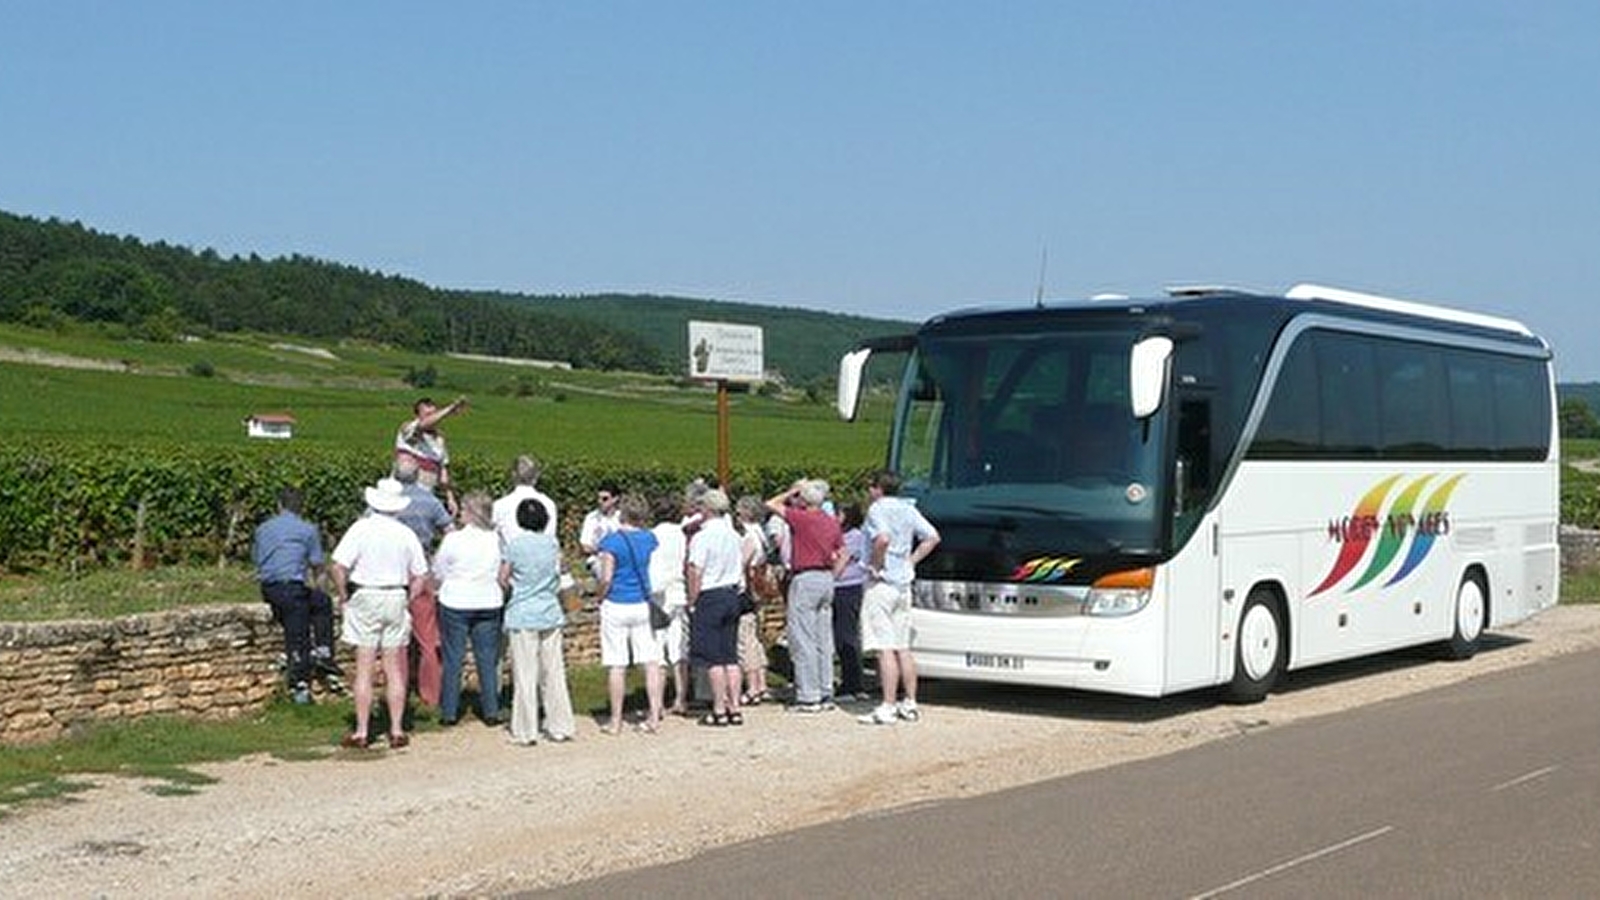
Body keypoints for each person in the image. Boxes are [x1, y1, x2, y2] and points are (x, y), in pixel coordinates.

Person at [330, 477, 430, 749]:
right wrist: (408, 596)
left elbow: (338, 566)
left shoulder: (361, 529)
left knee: (364, 666)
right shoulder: (405, 533)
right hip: (395, 595)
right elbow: (421, 575)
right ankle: (396, 729)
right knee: (393, 667)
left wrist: (343, 595)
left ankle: (362, 731)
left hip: (366, 593)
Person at [857, 470, 942, 726]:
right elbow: (932, 537)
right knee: (902, 646)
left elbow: (882, 538)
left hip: (882, 583)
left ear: (877, 489)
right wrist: (910, 561)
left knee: (884, 648)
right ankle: (910, 702)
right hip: (903, 583)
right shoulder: (907, 508)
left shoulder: (876, 510)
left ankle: (888, 705)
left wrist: (876, 564)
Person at [252, 486, 341, 704]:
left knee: (312, 604)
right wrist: (322, 588)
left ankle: (320, 653)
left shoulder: (263, 529)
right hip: (292, 587)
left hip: (270, 587)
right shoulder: (308, 530)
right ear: (301, 507)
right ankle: (302, 677)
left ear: (279, 505)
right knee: (308, 615)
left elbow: (257, 559)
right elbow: (318, 567)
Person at [499, 498, 576, 745]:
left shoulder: (514, 546)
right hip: (549, 611)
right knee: (553, 671)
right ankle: (560, 725)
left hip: (522, 612)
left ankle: (526, 729)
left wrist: (511, 590)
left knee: (525, 673)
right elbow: (561, 571)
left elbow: (503, 577)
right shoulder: (552, 544)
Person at [767, 479, 845, 713]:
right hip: (826, 578)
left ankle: (808, 694)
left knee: (803, 636)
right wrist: (834, 575)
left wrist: (792, 490)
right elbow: (842, 552)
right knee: (823, 638)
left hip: (806, 576)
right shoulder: (831, 522)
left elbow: (770, 503)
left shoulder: (802, 518)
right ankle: (825, 689)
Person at [431, 492, 506, 727]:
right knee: (487, 657)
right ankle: (491, 709)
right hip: (488, 599)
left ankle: (450, 711)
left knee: (454, 657)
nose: (459, 513)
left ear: (472, 513)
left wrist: (445, 583)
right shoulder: (496, 539)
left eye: (463, 509)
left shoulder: (454, 539)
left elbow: (439, 569)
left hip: (456, 600)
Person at [595, 493, 664, 734]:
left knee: (617, 663)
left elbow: (606, 578)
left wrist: (599, 596)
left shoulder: (611, 542)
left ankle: (615, 721)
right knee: (650, 661)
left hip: (616, 603)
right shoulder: (649, 538)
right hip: (642, 603)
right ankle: (654, 716)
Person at [392, 458, 453, 710]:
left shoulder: (388, 502)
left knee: (395, 638)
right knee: (427, 637)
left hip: (393, 571)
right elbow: (449, 530)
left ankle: (399, 691)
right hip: (422, 569)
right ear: (418, 475)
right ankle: (431, 694)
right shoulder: (429, 500)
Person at [686, 489, 745, 726]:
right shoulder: (733, 535)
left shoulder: (703, 537)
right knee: (729, 654)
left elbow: (695, 570)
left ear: (707, 509)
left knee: (713, 657)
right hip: (731, 593)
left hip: (710, 595)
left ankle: (719, 707)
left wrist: (692, 599)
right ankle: (736, 706)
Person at [648, 492, 692, 716]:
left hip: (658, 597)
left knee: (657, 651)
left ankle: (656, 704)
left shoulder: (652, 535)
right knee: (679, 649)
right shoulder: (682, 535)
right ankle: (681, 698)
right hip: (679, 592)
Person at [733, 495, 775, 706]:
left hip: (748, 588)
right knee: (755, 636)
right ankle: (761, 682)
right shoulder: (760, 531)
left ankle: (753, 686)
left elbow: (742, 563)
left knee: (745, 639)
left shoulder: (749, 535)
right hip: (758, 587)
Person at [394, 395, 467, 510]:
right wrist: (450, 409)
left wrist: (450, 498)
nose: (434, 418)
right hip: (402, 494)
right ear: (417, 416)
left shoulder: (439, 439)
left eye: (434, 414)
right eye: (427, 415)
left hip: (426, 495)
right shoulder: (408, 428)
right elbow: (423, 425)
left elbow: (443, 470)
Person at [833, 501, 871, 702]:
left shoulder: (854, 537)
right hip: (842, 587)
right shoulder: (843, 536)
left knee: (846, 635)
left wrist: (829, 579)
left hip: (848, 587)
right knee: (842, 635)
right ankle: (850, 682)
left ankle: (853, 683)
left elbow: (841, 562)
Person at [492, 454, 558, 545]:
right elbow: (551, 537)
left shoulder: (499, 505)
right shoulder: (549, 504)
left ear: (513, 475)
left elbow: (493, 539)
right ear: (536, 476)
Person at [579, 482, 623, 578]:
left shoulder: (622, 518)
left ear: (615, 499)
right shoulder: (591, 518)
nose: (600, 501)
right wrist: (602, 549)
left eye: (605, 499)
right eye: (599, 498)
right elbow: (585, 546)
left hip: (620, 559)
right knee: (603, 570)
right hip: (598, 559)